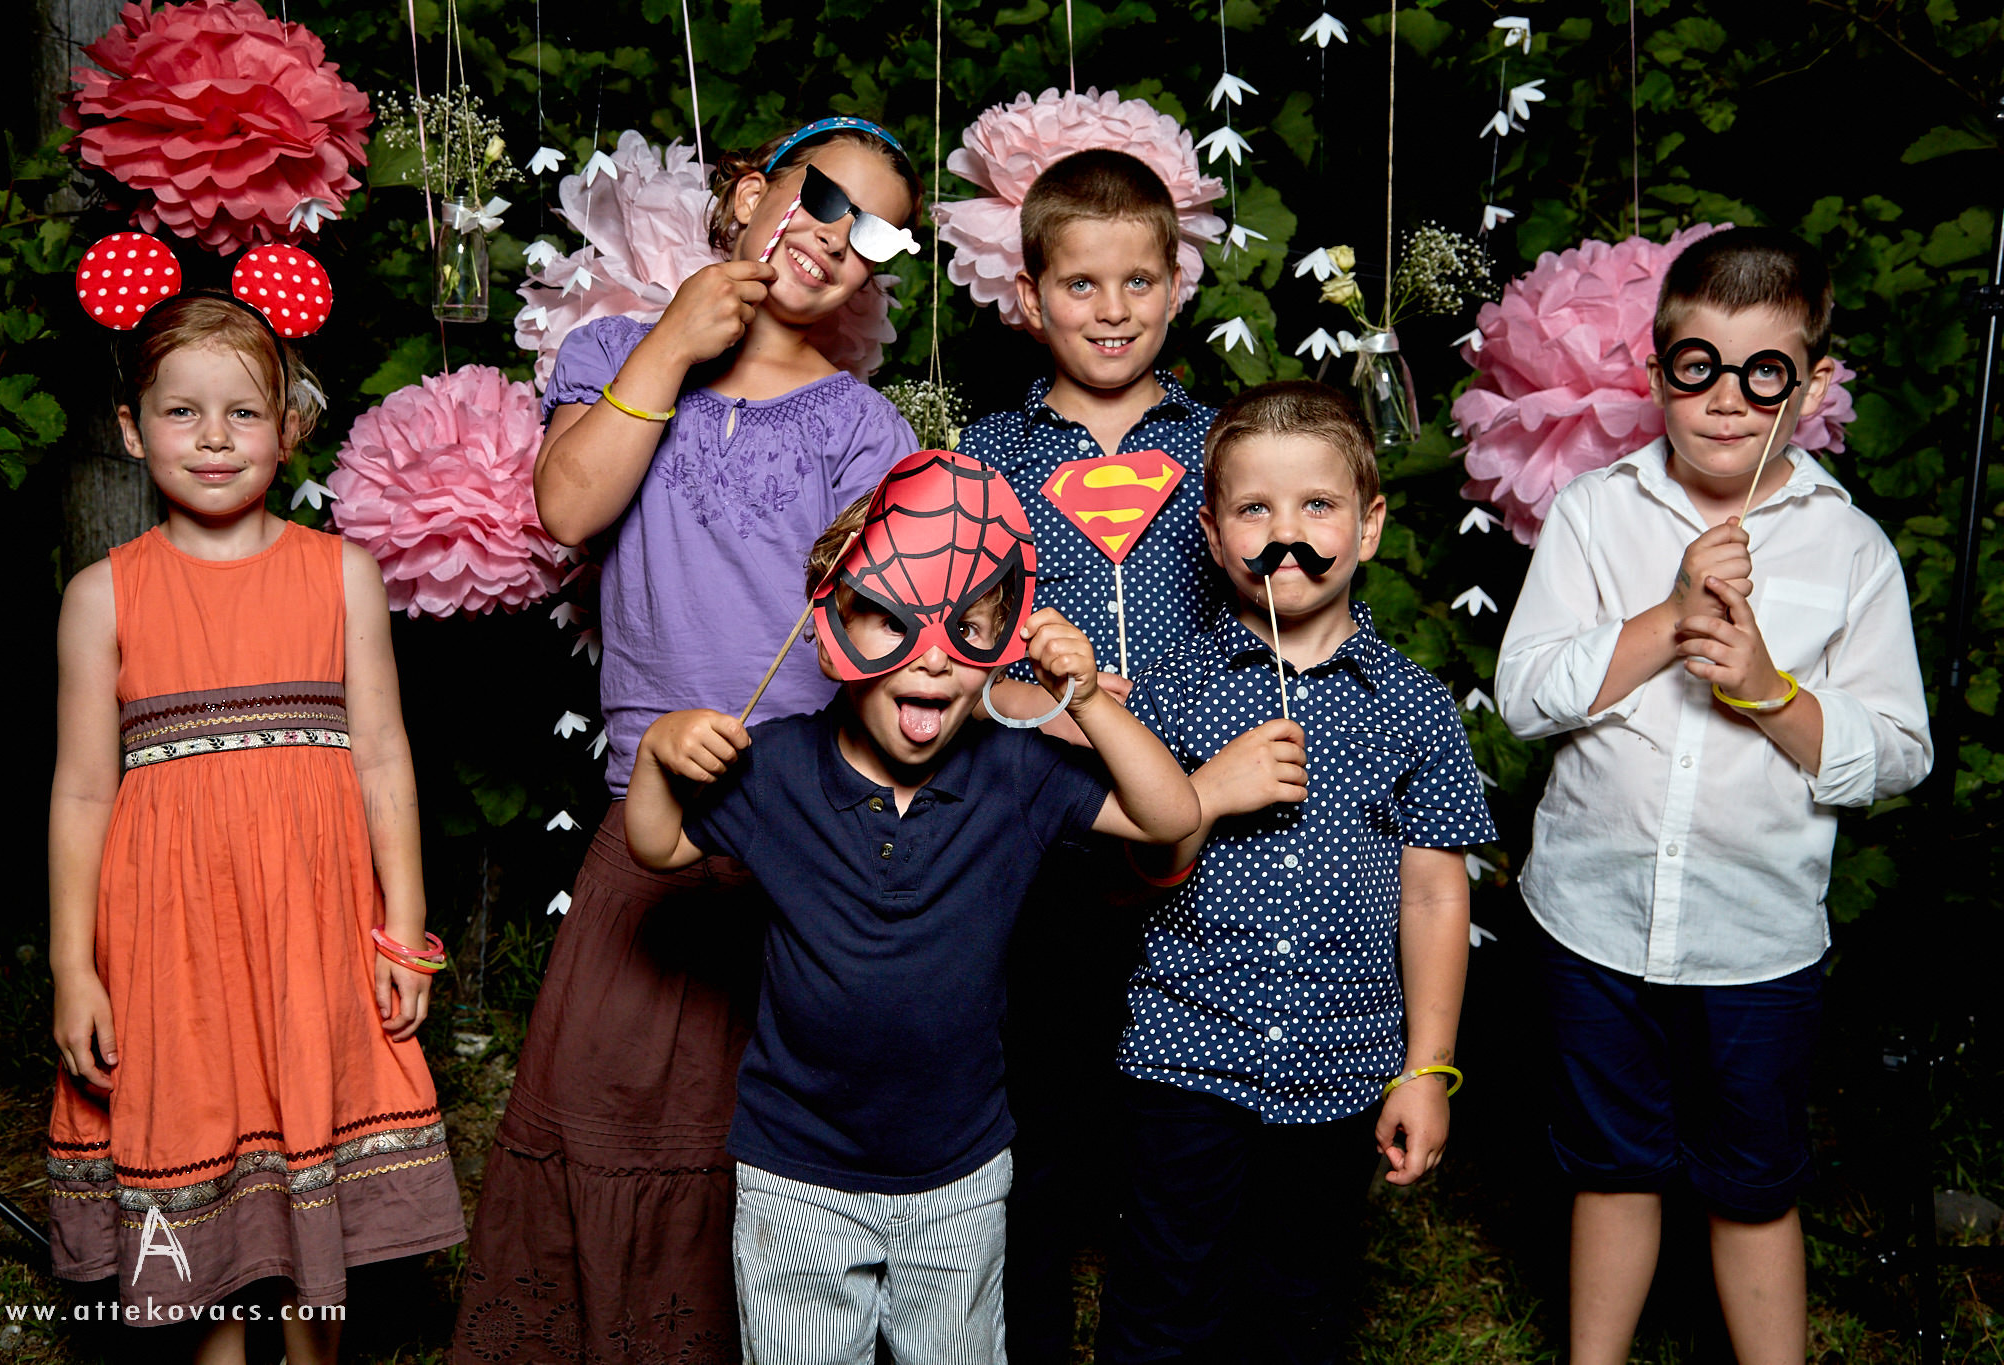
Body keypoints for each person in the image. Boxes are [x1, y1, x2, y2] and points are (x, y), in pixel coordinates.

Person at [450, 117, 922, 1365]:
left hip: (804, 821)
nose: (839, 237)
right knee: (603, 1090)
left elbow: (879, 639)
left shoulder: (861, 427)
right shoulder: (614, 349)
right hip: (652, 803)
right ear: (751, 190)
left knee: (772, 1123)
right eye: (822, 198)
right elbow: (569, 507)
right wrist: (671, 341)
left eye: (875, 234)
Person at [625, 451, 1200, 1365]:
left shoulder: (1016, 769)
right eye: (892, 621)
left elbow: (1171, 819)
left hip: (961, 1171)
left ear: (1001, 640)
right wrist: (659, 750)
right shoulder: (776, 767)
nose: (931, 654)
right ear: (831, 628)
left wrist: (1085, 700)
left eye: (966, 626)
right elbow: (657, 847)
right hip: (795, 1168)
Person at [1494, 227, 1932, 1365]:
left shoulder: (1848, 551)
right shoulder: (1594, 513)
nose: (1726, 400)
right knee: (1612, 1167)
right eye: (1698, 368)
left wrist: (1767, 691)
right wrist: (1669, 618)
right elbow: (1526, 697)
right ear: (1657, 375)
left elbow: (1897, 753)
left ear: (1811, 386)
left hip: (1754, 939)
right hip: (1592, 921)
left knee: (1752, 1183)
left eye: (1762, 372)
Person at [47, 293, 464, 1360]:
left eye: (242, 412)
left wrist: (404, 929)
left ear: (289, 428)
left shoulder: (342, 574)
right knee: (201, 1133)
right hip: (171, 938)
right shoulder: (101, 597)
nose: (214, 438)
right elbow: (83, 792)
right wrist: (72, 967)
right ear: (133, 430)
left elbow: (383, 756)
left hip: (310, 926)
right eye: (181, 412)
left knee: (309, 1131)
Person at [1097, 381, 1495, 1364]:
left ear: (1368, 525)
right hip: (1185, 1056)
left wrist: (1426, 1069)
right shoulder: (1172, 692)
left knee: (1299, 1307)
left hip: (1340, 1067)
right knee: (1161, 1305)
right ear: (1210, 533)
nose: (1286, 535)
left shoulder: (1413, 708)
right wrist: (1202, 797)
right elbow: (1127, 872)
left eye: (1317, 505)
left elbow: (1434, 893)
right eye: (1254, 509)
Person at [952, 147, 1223, 1361]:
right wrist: (1045, 708)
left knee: (1178, 1133)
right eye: (1078, 284)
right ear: (1028, 296)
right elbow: (949, 649)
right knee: (1044, 1124)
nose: (1110, 310)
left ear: (1176, 286)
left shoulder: (1220, 447)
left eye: (1136, 281)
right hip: (1045, 834)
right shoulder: (986, 457)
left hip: (1207, 831)